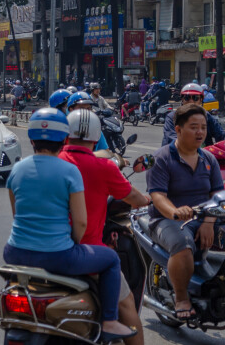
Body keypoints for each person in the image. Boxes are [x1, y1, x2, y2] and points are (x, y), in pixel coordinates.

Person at [3, 108, 138, 343]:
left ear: (31, 139)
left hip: (14, 253)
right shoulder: (69, 171)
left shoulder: (17, 169)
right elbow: (81, 221)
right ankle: (109, 321)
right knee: (111, 259)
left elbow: (17, 215)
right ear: (63, 139)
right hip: (57, 255)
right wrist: (75, 243)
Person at [60, 109, 149, 345]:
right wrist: (148, 200)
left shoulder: (52, 164)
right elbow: (135, 198)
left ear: (65, 135)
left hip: (40, 251)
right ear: (96, 136)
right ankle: (112, 323)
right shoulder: (104, 168)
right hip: (85, 253)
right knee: (126, 303)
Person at [147, 104, 224, 320]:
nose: (200, 132)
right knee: (183, 245)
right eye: (193, 127)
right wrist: (175, 211)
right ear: (178, 130)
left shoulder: (209, 159)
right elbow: (158, 196)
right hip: (167, 220)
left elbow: (217, 194)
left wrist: (209, 222)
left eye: (203, 127)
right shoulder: (161, 158)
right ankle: (181, 297)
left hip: (204, 217)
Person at [162, 83, 225, 147]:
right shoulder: (172, 117)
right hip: (177, 157)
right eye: (187, 98)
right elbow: (171, 137)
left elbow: (221, 135)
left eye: (195, 98)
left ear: (201, 100)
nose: (191, 101)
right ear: (182, 99)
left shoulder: (206, 116)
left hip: (203, 157)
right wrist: (190, 148)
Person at [64, 92, 115, 159]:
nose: (86, 112)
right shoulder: (64, 128)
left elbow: (106, 152)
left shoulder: (95, 129)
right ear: (71, 109)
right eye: (81, 108)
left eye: (88, 108)